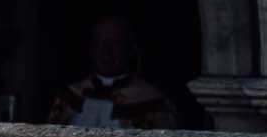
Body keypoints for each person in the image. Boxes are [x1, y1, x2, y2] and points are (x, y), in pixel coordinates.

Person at [46, 13, 179, 129]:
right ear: (91, 49)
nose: (106, 52)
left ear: (129, 49)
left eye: (115, 43)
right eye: (100, 43)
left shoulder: (155, 102)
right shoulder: (69, 97)